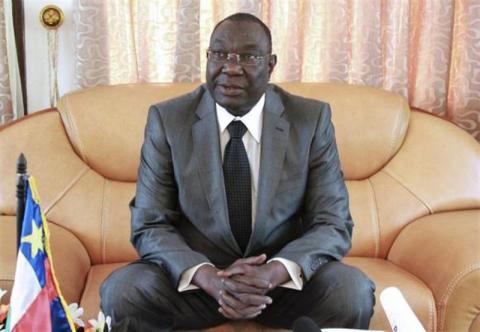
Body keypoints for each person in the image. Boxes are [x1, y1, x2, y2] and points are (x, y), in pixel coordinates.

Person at [100, 12, 375, 331]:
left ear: (270, 65)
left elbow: (332, 221)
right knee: (124, 291)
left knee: (350, 291)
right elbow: (150, 222)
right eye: (219, 54)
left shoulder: (309, 120)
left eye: (248, 56)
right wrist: (208, 277)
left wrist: (272, 273)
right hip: (197, 285)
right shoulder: (169, 119)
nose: (231, 67)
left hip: (281, 285)